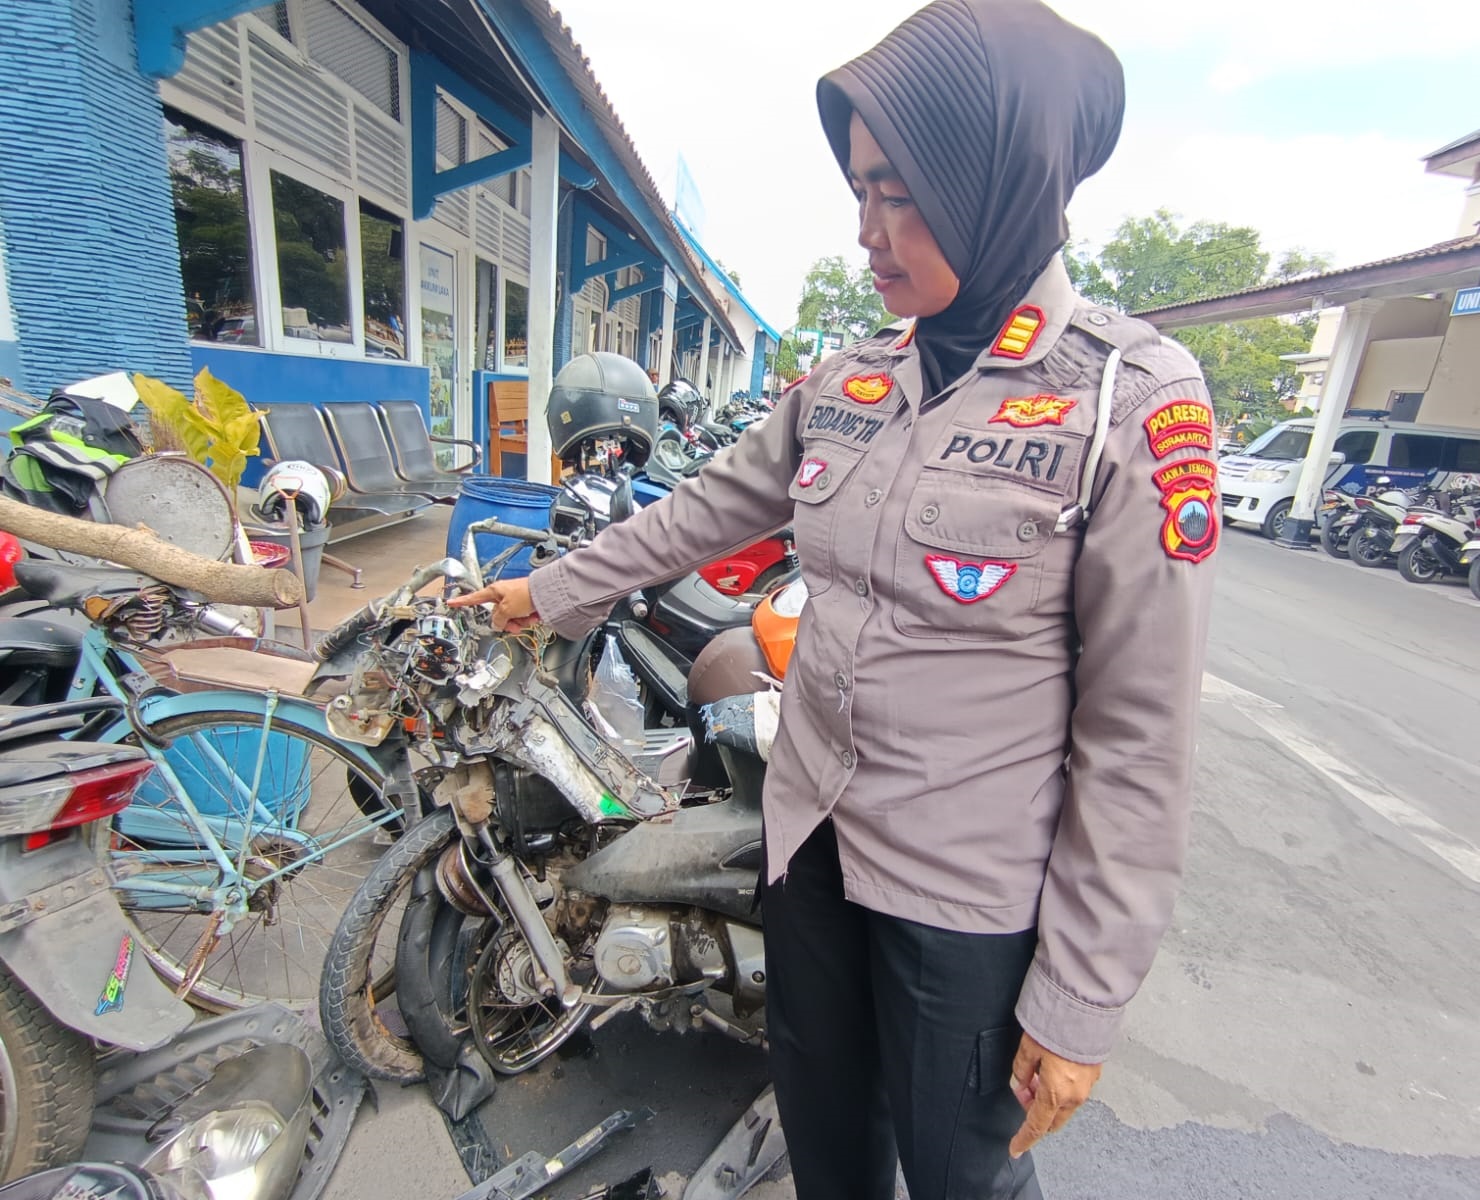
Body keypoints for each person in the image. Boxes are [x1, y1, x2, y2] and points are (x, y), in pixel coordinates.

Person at [449, 1, 1217, 1195]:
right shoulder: (852, 380)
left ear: (994, 182)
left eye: (898, 192)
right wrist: (539, 594)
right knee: (826, 1146)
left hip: (964, 902)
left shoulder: (1126, 399)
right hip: (810, 847)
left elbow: (1138, 734)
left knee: (960, 1175)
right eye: (857, 190)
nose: (866, 230)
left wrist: (1079, 1001)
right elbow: (700, 511)